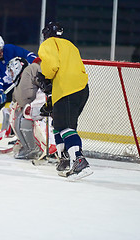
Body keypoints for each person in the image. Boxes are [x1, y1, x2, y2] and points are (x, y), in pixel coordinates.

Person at [37, 22, 93, 179]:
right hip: (82, 89)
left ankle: (79, 162)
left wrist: (45, 78)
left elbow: (52, 66)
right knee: (60, 124)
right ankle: (65, 159)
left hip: (67, 89)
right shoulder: (70, 45)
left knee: (66, 127)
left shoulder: (48, 43)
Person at [8, 57, 55, 159]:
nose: (11, 74)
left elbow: (43, 84)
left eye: (11, 71)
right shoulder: (18, 83)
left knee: (26, 121)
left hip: (42, 107)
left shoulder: (31, 69)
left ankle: (45, 147)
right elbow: (17, 100)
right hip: (30, 109)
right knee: (16, 120)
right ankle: (28, 147)